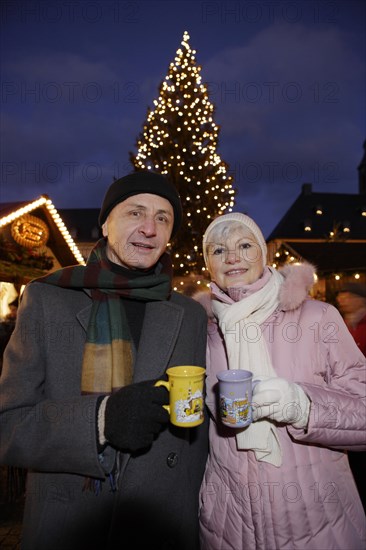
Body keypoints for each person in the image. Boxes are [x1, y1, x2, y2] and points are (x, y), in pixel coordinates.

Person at [0, 171, 208, 550]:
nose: (149, 228)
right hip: (70, 523)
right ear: (106, 222)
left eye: (163, 218)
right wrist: (100, 420)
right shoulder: (48, 299)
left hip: (160, 523)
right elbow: (8, 425)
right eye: (135, 213)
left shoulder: (190, 313)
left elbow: (199, 434)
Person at [195, 212, 366, 550]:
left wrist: (303, 407)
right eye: (217, 250)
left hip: (317, 524)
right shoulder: (204, 331)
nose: (231, 257)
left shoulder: (318, 318)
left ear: (265, 254)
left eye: (245, 245)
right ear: (208, 264)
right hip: (229, 527)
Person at [336, 282, 366, 513]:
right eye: (341, 296)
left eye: (348, 295)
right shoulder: (340, 324)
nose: (342, 299)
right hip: (346, 400)